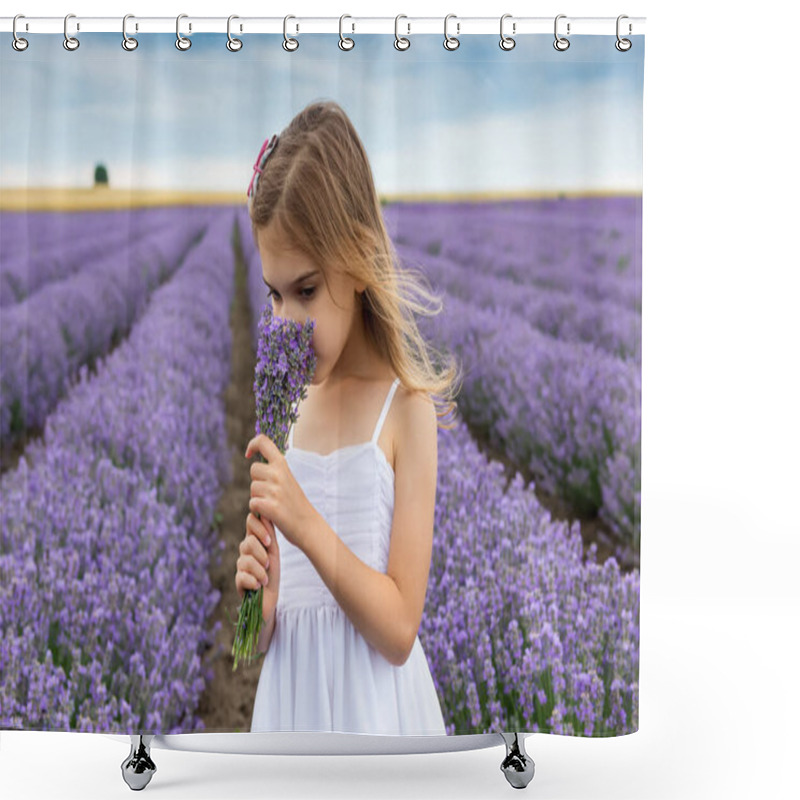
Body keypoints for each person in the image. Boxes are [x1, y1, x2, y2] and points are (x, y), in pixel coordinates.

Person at [236, 100, 461, 735]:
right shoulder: (286, 409)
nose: (284, 321)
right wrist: (264, 606)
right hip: (292, 709)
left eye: (305, 290)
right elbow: (257, 646)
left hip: (379, 718)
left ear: (359, 258)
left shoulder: (405, 410)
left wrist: (303, 523)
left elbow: (397, 632)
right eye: (273, 294)